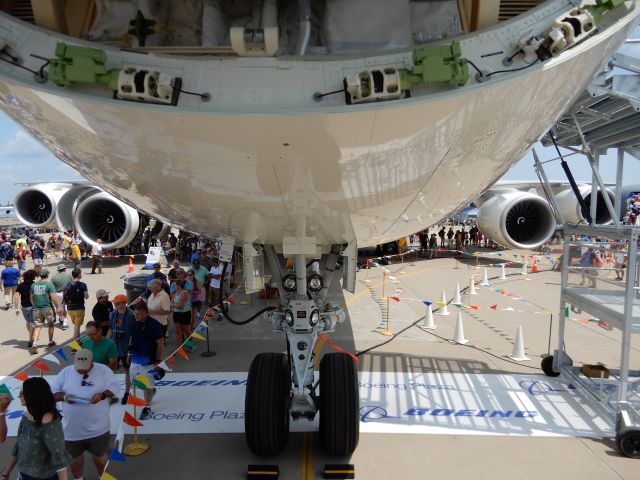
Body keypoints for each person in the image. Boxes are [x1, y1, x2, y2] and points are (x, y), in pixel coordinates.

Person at [51, 349, 119, 480]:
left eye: (84, 368)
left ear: (92, 362)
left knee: (101, 457)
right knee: (74, 459)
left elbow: (115, 388)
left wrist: (103, 395)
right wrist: (65, 397)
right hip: (71, 430)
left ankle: (103, 477)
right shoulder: (65, 372)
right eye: (78, 368)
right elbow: (53, 395)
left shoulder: (104, 370)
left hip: (98, 428)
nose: (81, 371)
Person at [0, 377, 72, 480]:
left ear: (32, 396)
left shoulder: (49, 423)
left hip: (44, 477)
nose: (18, 396)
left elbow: (59, 457)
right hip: (24, 475)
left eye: (21, 393)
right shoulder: (26, 416)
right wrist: (5, 474)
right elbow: (19, 446)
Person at [128, 303, 165, 420]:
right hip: (135, 357)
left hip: (149, 360)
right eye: (135, 313)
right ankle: (151, 391)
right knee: (134, 381)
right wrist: (129, 353)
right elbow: (131, 338)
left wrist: (158, 360)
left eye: (139, 314)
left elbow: (160, 343)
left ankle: (147, 406)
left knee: (146, 383)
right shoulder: (134, 322)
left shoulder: (155, 325)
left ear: (146, 313)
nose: (136, 316)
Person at [108, 294, 135, 404]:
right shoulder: (112, 314)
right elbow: (110, 329)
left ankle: (127, 393)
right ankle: (111, 394)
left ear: (125, 303)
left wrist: (130, 349)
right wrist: (106, 342)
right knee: (110, 371)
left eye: (118, 303)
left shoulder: (131, 315)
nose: (116, 305)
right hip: (114, 347)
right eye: (115, 303)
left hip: (125, 348)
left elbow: (133, 334)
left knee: (127, 371)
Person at [30, 268, 59, 354]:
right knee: (50, 324)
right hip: (47, 308)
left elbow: (31, 298)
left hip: (36, 308)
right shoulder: (49, 285)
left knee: (37, 326)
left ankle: (34, 343)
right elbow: (53, 297)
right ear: (47, 275)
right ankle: (50, 341)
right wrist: (58, 306)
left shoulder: (33, 285)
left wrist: (34, 305)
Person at [13, 269, 37, 349]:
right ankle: (31, 339)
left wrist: (16, 308)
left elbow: (16, 297)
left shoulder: (20, 285)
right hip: (33, 306)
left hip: (24, 307)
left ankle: (32, 335)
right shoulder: (34, 285)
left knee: (28, 322)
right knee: (32, 323)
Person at [63, 269, 89, 341]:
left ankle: (78, 342)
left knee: (76, 326)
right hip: (79, 308)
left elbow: (64, 297)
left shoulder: (67, 285)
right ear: (79, 275)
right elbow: (86, 297)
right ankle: (74, 347)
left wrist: (63, 308)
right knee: (77, 328)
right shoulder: (82, 285)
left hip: (70, 309)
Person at [171, 279, 192, 347]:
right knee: (177, 331)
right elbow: (171, 301)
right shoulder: (176, 293)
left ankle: (191, 345)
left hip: (185, 314)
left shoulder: (184, 293)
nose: (174, 286)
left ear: (179, 286)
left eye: (175, 285)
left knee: (187, 331)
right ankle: (179, 347)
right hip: (176, 313)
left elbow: (180, 306)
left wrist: (173, 305)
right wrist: (174, 305)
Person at [51, 264, 72, 330]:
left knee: (59, 307)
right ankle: (65, 322)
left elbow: (52, 288)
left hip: (57, 293)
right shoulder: (69, 275)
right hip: (67, 293)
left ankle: (61, 318)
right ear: (64, 269)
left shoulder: (54, 277)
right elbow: (72, 284)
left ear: (58, 270)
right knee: (65, 307)